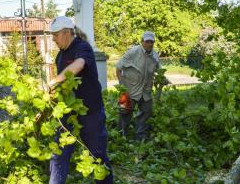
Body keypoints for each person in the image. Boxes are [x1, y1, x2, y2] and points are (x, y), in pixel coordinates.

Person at [48, 16, 113, 184]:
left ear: (66, 32)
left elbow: (78, 65)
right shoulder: (60, 56)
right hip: (68, 113)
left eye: (55, 35)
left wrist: (55, 80)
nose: (53, 39)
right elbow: (64, 85)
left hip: (90, 113)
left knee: (97, 155)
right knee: (59, 154)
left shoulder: (82, 47)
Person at [115, 31, 161, 141]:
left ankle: (140, 136)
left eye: (152, 42)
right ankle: (120, 136)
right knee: (124, 112)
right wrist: (122, 87)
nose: (150, 44)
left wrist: (163, 79)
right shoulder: (133, 52)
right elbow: (118, 68)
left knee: (147, 111)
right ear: (142, 42)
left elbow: (160, 70)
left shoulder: (155, 55)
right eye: (147, 41)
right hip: (129, 89)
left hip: (145, 90)